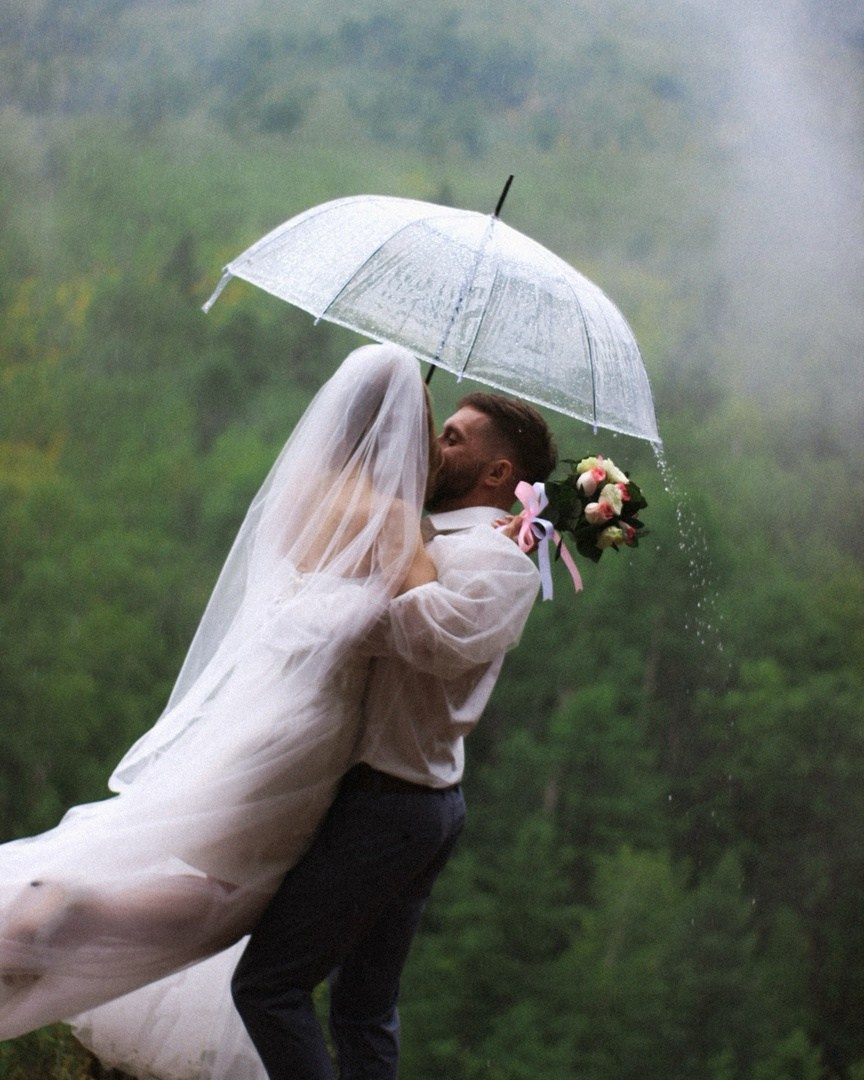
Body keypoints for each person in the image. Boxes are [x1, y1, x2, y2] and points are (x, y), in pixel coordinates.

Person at [0, 344, 440, 1071]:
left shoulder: (301, 488)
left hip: (259, 708)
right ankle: (69, 912)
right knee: (237, 901)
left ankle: (68, 906)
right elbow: (435, 618)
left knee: (202, 866)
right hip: (315, 728)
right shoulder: (392, 518)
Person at [230, 390, 558, 1079]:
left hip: (396, 804)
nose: (434, 446)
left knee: (268, 987)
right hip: (402, 799)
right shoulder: (433, 534)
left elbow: (419, 634)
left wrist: (395, 526)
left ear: (498, 474)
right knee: (361, 1007)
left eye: (453, 438)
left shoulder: (498, 562)